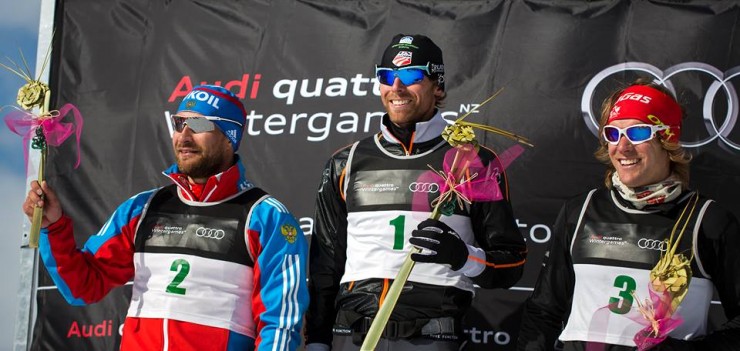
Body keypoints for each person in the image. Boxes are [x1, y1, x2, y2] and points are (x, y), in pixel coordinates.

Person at [23, 85, 309, 351]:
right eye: (178, 124)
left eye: (197, 125)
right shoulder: (143, 208)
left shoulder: (266, 217)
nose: (184, 136)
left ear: (229, 137)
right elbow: (83, 285)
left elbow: (280, 323)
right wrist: (54, 227)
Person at [304, 33, 527, 351]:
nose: (396, 87)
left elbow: (511, 263)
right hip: (352, 336)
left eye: (410, 75)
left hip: (430, 338)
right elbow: (326, 263)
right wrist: (317, 341)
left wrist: (464, 257)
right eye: (386, 76)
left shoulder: (472, 161)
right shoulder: (346, 162)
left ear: (438, 86)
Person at [517, 79, 740, 350]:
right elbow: (543, 311)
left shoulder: (708, 220)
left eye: (637, 134)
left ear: (667, 138)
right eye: (613, 134)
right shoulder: (581, 210)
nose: (622, 147)